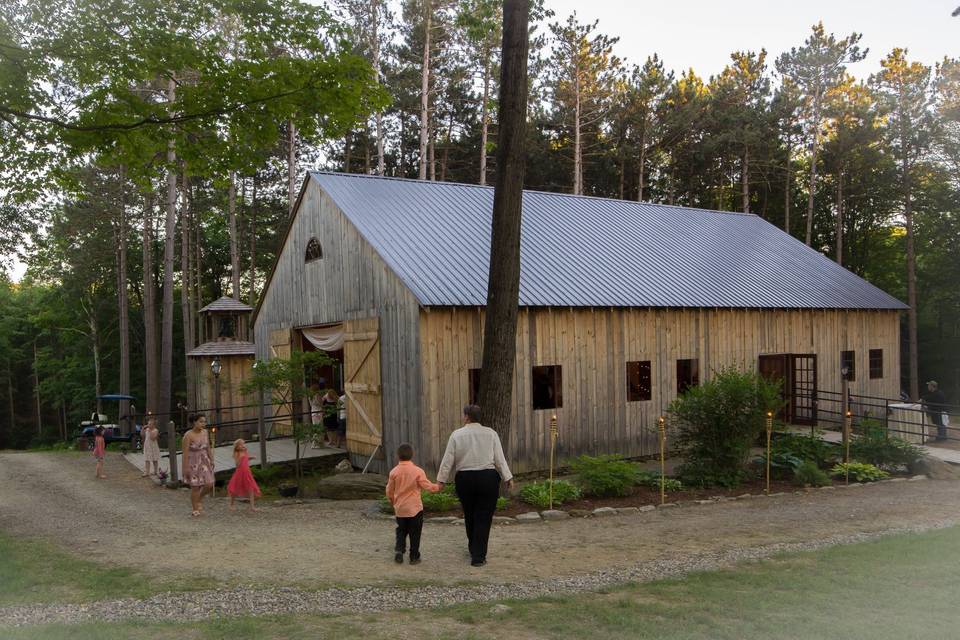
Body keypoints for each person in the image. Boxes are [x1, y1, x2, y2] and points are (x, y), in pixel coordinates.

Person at [437, 404, 513, 567]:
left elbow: (448, 459)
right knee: (484, 517)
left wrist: (441, 480)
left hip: (465, 479)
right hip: (487, 478)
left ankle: (474, 548)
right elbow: (499, 459)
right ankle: (478, 555)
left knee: (470, 514)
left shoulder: (457, 435)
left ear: (466, 417)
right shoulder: (491, 434)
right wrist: (508, 477)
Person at [386, 443, 440, 565]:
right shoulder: (417, 471)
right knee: (415, 532)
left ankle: (399, 550)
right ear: (412, 455)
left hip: (400, 508)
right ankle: (414, 556)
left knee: (401, 530)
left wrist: (392, 501)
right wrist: (437, 487)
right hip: (415, 508)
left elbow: (389, 490)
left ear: (398, 456)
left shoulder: (394, 472)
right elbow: (427, 486)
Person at [181, 413, 215, 517]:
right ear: (194, 422)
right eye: (201, 421)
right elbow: (185, 453)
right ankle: (195, 508)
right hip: (193, 461)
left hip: (204, 460)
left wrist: (211, 458)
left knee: (209, 483)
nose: (203, 424)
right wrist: (185, 468)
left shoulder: (205, 432)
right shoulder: (188, 435)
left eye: (204, 421)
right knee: (195, 486)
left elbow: (208, 446)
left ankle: (199, 498)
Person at [227, 439, 261, 512]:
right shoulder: (237, 452)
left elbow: (246, 459)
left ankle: (252, 507)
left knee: (251, 488)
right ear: (237, 446)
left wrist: (250, 458)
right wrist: (240, 457)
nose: (243, 446)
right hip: (240, 472)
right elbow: (237, 464)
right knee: (235, 488)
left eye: (243, 444)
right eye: (241, 444)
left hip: (247, 472)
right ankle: (231, 505)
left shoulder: (244, 451)